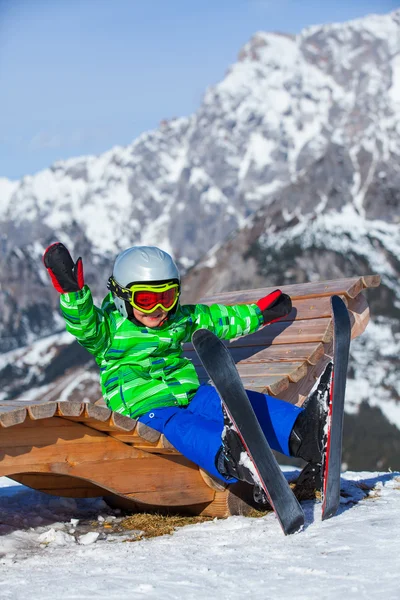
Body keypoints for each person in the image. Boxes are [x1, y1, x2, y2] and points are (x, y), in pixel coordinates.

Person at [43, 242, 328, 497]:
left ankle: (302, 432)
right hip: (146, 409)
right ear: (121, 297)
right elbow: (85, 326)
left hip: (189, 393)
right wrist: (74, 293)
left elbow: (219, 319)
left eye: (167, 297)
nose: (158, 308)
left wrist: (258, 314)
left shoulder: (178, 319)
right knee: (180, 426)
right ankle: (229, 456)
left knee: (233, 402)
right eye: (145, 299)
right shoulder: (108, 330)